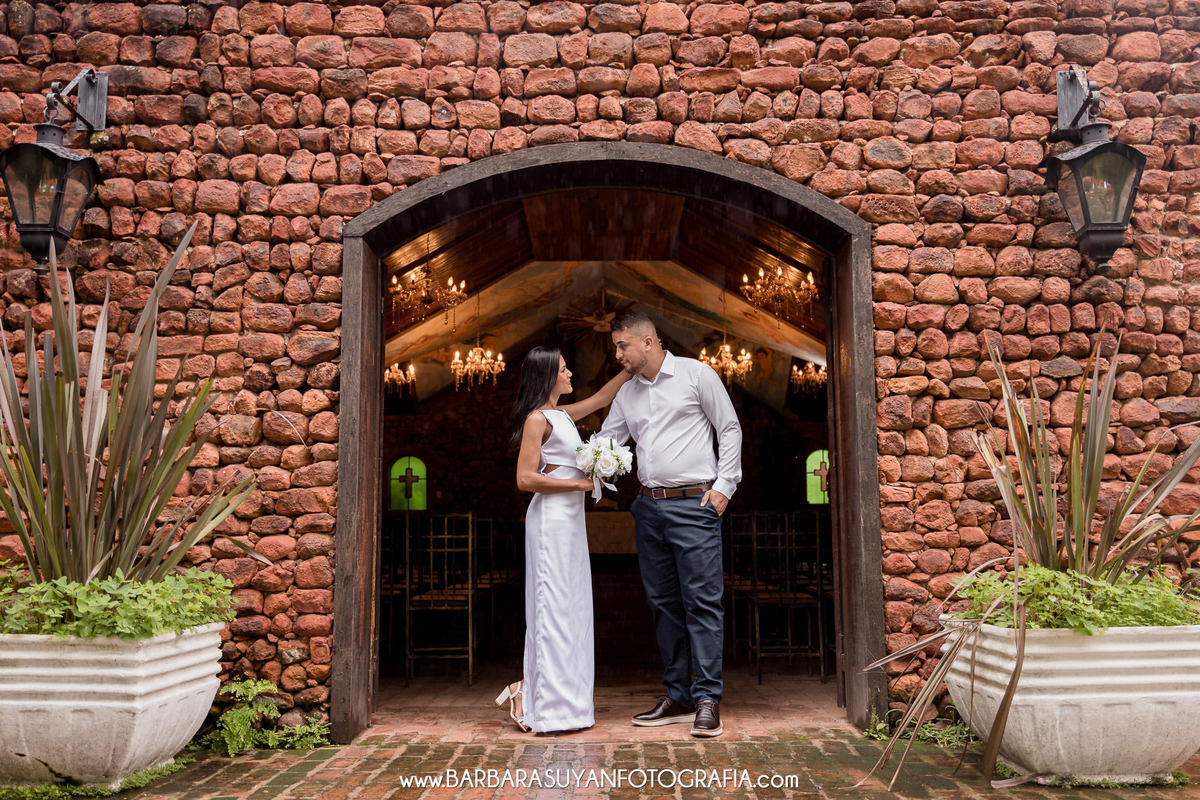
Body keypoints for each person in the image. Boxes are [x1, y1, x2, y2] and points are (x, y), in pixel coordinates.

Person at [599, 310, 742, 738]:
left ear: (648, 341)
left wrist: (724, 487)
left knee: (702, 603)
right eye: (616, 347)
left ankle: (707, 699)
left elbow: (729, 428)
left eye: (622, 345)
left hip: (695, 504)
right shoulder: (627, 393)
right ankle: (678, 695)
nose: (618, 355)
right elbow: (607, 443)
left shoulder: (696, 375)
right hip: (648, 508)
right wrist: (560, 446)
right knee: (663, 605)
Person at [495, 346, 633, 733]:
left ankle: (546, 696)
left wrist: (630, 369)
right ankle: (549, 707)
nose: (570, 373)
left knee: (572, 608)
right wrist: (580, 484)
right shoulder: (536, 419)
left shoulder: (563, 414)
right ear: (546, 377)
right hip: (550, 523)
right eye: (563, 369)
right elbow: (525, 478)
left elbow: (602, 398)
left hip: (571, 522)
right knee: (552, 607)